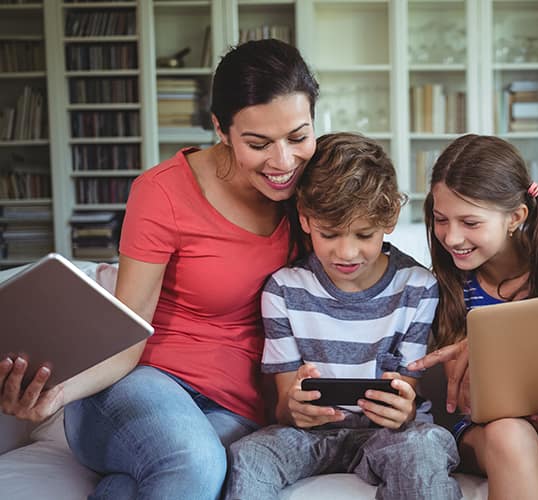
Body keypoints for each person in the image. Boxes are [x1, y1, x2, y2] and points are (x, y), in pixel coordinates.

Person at [0, 38, 318, 499]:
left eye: (298, 136)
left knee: (192, 478)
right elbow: (127, 333)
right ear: (220, 129)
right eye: (258, 143)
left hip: (238, 408)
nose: (284, 162)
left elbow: (369, 254)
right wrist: (57, 395)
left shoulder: (315, 187)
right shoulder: (162, 193)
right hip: (138, 387)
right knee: (194, 462)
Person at [224, 132, 462, 500]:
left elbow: (407, 391)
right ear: (305, 220)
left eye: (364, 235)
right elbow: (285, 404)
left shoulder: (417, 286)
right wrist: (294, 409)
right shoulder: (284, 290)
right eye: (330, 234)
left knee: (423, 448)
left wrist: (404, 407)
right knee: (249, 455)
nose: (347, 252)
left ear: (390, 218)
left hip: (391, 435)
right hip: (309, 437)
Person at [412, 133, 538, 500]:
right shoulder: (450, 286)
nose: (451, 237)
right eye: (441, 219)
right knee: (510, 434)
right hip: (490, 430)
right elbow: (469, 396)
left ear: (516, 217)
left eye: (470, 223)